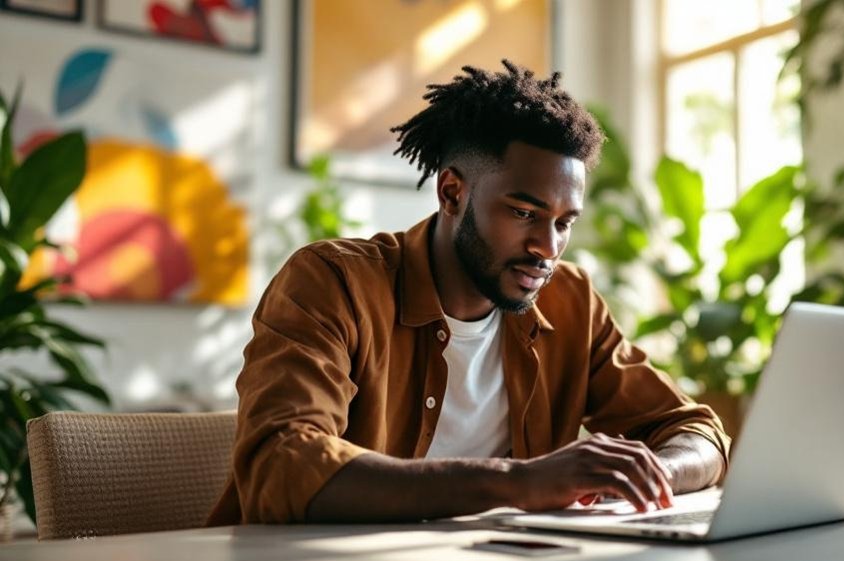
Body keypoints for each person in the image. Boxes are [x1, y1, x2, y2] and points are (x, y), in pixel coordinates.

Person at [207, 60, 729, 526]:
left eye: (564, 222)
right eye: (525, 213)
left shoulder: (571, 303)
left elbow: (698, 433)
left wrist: (647, 470)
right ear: (452, 191)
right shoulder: (333, 283)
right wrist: (518, 482)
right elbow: (282, 466)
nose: (548, 247)